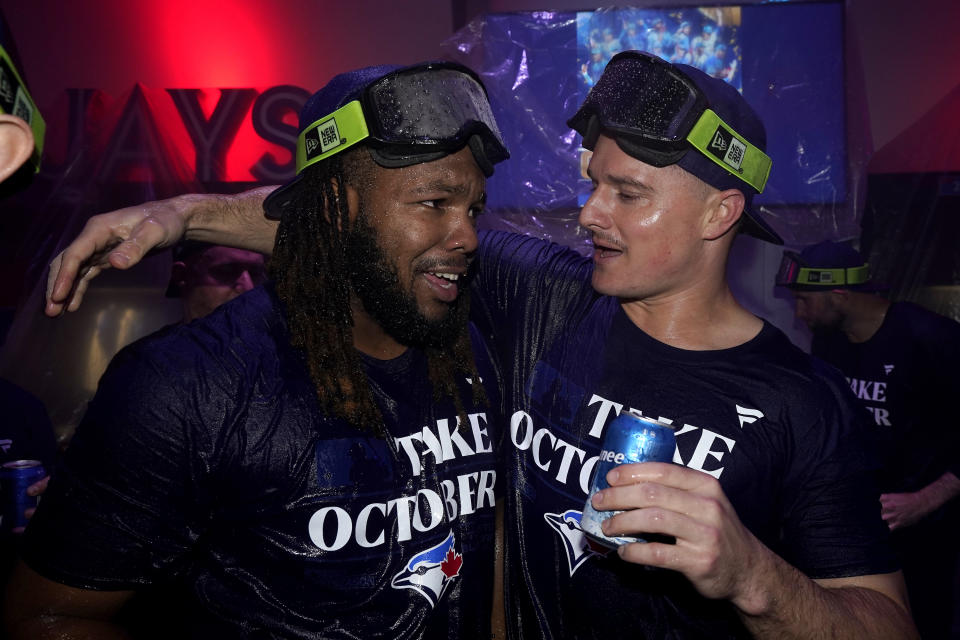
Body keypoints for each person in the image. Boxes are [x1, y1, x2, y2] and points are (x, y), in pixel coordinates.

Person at [40, 52, 919, 638]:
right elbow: (361, 220)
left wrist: (755, 578)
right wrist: (180, 212)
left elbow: (886, 624)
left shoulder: (803, 405)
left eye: (627, 193)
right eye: (590, 184)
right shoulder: (545, 297)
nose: (589, 215)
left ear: (722, 213)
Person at [6, 61, 508, 639]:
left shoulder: (479, 342)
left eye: (472, 208)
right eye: (433, 203)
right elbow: (42, 619)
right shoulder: (188, 382)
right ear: (333, 209)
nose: (467, 235)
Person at [778, 239, 960, 639]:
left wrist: (925, 500)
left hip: (925, 527)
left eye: (805, 300)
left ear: (839, 295)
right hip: (862, 524)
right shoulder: (829, 341)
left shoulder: (931, 339)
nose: (799, 312)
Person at [165, 240, 267, 322]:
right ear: (182, 275)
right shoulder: (157, 347)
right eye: (227, 271)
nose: (249, 287)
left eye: (255, 273)